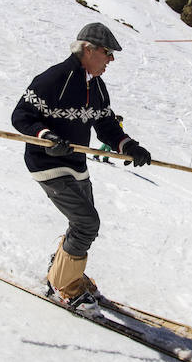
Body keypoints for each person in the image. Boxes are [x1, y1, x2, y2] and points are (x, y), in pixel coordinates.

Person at [11, 22, 152, 310]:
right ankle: (64, 284)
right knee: (87, 223)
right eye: (108, 52)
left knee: (83, 223)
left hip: (76, 164)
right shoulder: (54, 79)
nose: (111, 59)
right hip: (47, 163)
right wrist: (47, 137)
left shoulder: (97, 86)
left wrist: (129, 146)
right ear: (88, 49)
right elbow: (21, 116)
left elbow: (106, 125)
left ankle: (63, 268)